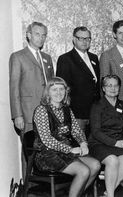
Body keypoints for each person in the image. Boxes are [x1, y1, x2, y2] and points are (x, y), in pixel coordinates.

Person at [33, 77, 100, 197]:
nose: (58, 93)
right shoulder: (41, 110)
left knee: (95, 165)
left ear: (66, 91)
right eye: (54, 89)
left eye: (61, 89)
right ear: (48, 92)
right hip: (47, 155)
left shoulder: (67, 109)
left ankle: (74, 194)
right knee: (83, 171)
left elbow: (76, 130)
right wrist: (69, 149)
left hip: (65, 153)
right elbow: (47, 139)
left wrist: (83, 143)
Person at [9, 21, 54, 178]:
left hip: (47, 115)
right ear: (28, 35)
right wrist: (17, 115)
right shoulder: (18, 57)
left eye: (43, 35)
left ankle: (44, 189)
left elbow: (51, 87)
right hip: (27, 115)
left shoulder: (47, 58)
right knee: (29, 154)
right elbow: (14, 87)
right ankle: (28, 188)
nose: (41, 38)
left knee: (46, 153)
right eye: (37, 34)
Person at [89, 75, 123, 197]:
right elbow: (96, 132)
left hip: (118, 141)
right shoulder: (97, 106)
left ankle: (108, 192)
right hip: (99, 143)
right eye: (109, 85)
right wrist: (115, 143)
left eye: (116, 85)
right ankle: (111, 195)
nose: (113, 88)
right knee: (112, 160)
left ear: (119, 88)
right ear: (103, 88)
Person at [56, 26, 100, 137]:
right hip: (77, 114)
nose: (85, 41)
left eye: (88, 38)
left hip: (94, 113)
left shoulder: (94, 58)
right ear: (74, 39)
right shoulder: (65, 59)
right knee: (79, 147)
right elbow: (63, 89)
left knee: (94, 148)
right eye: (81, 38)